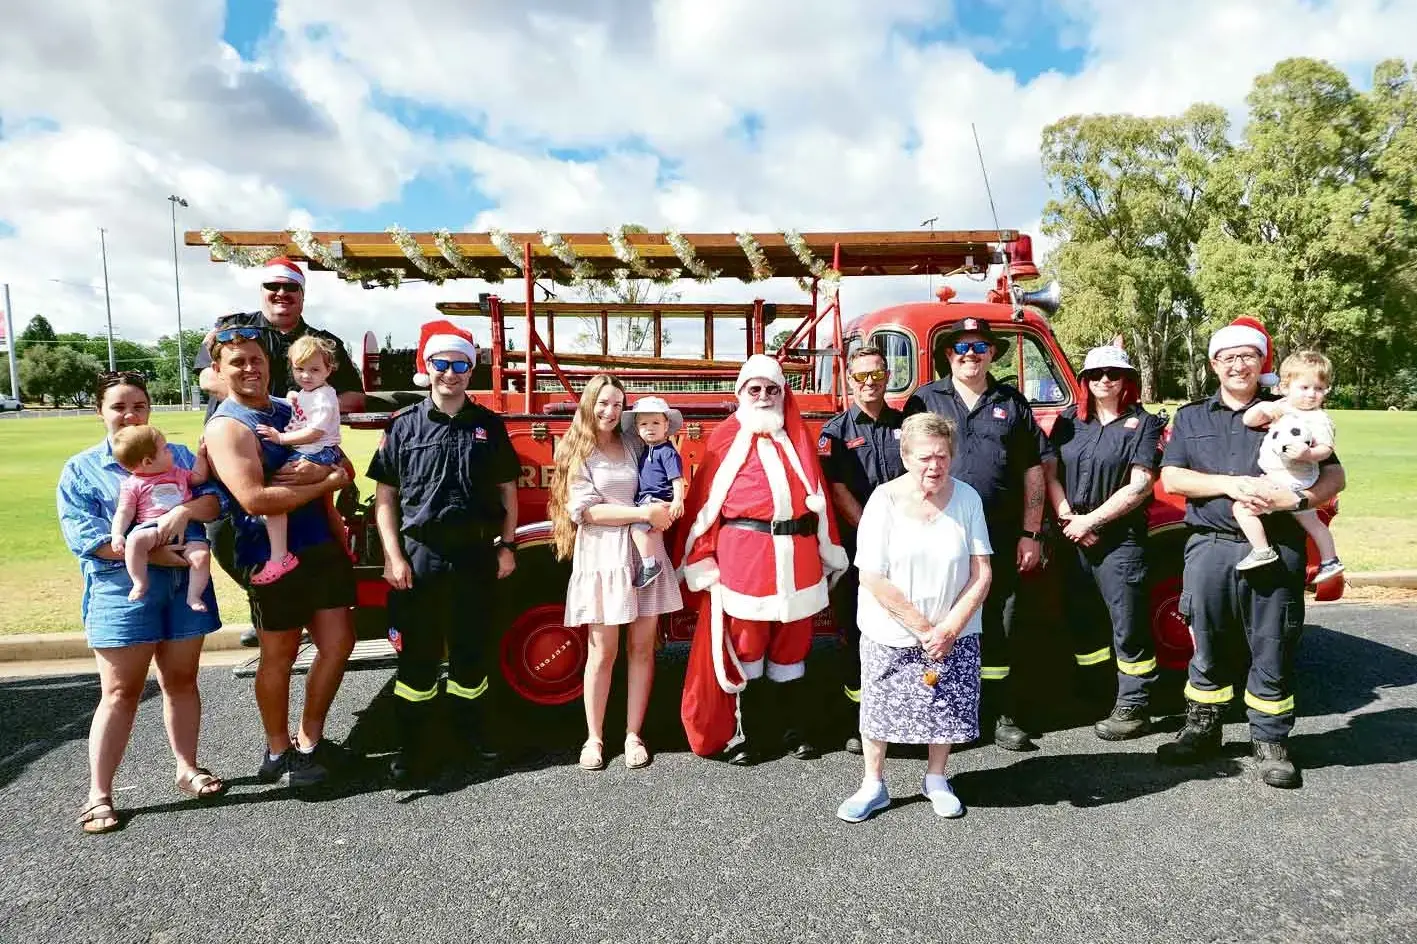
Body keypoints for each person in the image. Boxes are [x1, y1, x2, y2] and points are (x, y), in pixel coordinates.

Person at [1158, 317, 1346, 789]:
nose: (1238, 364)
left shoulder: (1290, 409)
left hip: (1277, 546)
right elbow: (1174, 479)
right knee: (1206, 639)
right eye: (1228, 357)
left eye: (1248, 356)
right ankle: (1202, 728)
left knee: (1273, 642)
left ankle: (1270, 739)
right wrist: (1229, 485)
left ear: (1262, 362)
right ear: (1213, 365)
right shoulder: (1193, 416)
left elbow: (1334, 479)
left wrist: (1297, 500)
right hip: (1210, 547)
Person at [57, 371, 226, 834]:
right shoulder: (83, 469)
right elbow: (88, 538)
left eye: (139, 405)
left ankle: (187, 768)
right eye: (119, 406)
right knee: (120, 692)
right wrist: (156, 553)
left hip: (183, 586)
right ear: (100, 412)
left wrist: (184, 510)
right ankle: (99, 793)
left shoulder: (180, 455)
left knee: (181, 680)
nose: (130, 414)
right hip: (121, 591)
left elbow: (215, 503)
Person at [676, 354, 849, 765]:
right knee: (748, 647)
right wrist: (704, 561)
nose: (765, 396)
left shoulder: (798, 435)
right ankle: (755, 736)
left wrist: (828, 550)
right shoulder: (723, 437)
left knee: (794, 645)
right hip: (746, 559)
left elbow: (819, 496)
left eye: (773, 389)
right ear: (742, 393)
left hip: (799, 558)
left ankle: (796, 731)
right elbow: (705, 506)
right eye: (756, 389)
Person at [367, 321, 520, 786]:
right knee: (417, 659)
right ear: (427, 367)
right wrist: (394, 557)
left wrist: (508, 545)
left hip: (475, 554)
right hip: (421, 557)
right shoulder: (402, 427)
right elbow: (386, 499)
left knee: (472, 655)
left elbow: (508, 491)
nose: (450, 374)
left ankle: (470, 737)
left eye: (460, 365)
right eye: (441, 364)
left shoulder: (488, 426)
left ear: (470, 371)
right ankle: (414, 748)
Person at [202, 327, 356, 788]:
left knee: (339, 642)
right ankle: (277, 750)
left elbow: (344, 466)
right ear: (218, 371)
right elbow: (255, 500)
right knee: (280, 654)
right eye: (237, 362)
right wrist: (326, 481)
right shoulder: (227, 426)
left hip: (318, 543)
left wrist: (327, 473)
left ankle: (310, 740)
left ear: (269, 364)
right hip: (269, 553)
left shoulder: (291, 408)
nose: (249, 368)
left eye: (255, 359)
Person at [194, 256, 364, 646]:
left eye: (291, 288)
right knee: (230, 532)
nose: (281, 294)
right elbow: (206, 375)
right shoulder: (235, 328)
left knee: (319, 529)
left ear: (302, 294)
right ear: (262, 291)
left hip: (296, 455)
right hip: (242, 455)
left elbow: (354, 394)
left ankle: (306, 611)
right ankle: (265, 602)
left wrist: (317, 403)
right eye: (273, 287)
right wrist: (254, 397)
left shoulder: (325, 342)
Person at [837, 413, 992, 822]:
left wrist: (949, 629)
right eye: (924, 457)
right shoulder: (883, 500)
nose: (934, 466)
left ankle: (937, 779)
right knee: (879, 708)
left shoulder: (968, 499)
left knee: (944, 707)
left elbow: (982, 572)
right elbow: (870, 574)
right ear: (906, 457)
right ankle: (873, 784)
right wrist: (924, 629)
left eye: (942, 456)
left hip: (953, 631)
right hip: (892, 629)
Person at [903, 317, 1049, 751]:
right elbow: (907, 465)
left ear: (991, 355)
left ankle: (1000, 713)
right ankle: (938, 708)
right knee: (938, 617)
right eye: (963, 348)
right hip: (938, 531)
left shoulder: (1012, 402)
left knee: (1001, 621)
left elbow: (1033, 470)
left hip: (1000, 532)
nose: (971, 355)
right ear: (949, 354)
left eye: (981, 348)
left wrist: (1032, 532)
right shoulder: (924, 400)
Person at [549, 375, 683, 771]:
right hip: (603, 555)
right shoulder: (578, 450)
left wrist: (670, 501)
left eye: (617, 404)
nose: (610, 412)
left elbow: (663, 468)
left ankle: (632, 734)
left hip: (643, 552)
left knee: (642, 648)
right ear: (589, 403)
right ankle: (594, 737)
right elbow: (587, 511)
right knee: (602, 651)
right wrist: (643, 513)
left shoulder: (632, 441)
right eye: (603, 403)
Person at [1044, 346, 1165, 740]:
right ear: (1084, 381)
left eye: (1113, 373)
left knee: (1126, 623)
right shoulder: (1069, 421)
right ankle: (1095, 690)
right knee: (1082, 617)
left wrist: (1091, 521)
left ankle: (1135, 703)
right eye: (1095, 375)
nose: (1104, 381)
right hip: (1072, 534)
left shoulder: (1144, 424)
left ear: (1127, 380)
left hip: (1118, 539)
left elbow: (1141, 485)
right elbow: (1050, 473)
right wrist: (1069, 519)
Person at [819, 346, 905, 754]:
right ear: (848, 379)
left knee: (906, 629)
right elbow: (836, 490)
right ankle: (861, 718)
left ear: (888, 376)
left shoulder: (909, 424)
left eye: (877, 375)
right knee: (858, 633)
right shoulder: (834, 433)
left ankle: (906, 715)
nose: (869, 383)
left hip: (907, 548)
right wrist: (875, 534)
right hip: (861, 549)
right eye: (860, 377)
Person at [1234, 350, 1343, 582]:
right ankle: (1330, 560)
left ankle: (1262, 550)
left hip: (1289, 478)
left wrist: (1308, 453)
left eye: (1319, 389)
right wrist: (1263, 408)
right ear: (1285, 387)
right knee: (1311, 521)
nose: (1312, 395)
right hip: (1284, 476)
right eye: (1304, 388)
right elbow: (1248, 420)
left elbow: (1327, 449)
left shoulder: (1318, 419)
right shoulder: (1282, 406)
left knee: (1242, 508)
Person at [251, 335, 349, 585]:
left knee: (274, 497)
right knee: (325, 507)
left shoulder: (324, 397)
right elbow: (301, 411)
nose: (306, 375)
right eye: (299, 369)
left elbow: (315, 431)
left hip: (316, 451)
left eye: (314, 369)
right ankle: (345, 547)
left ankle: (279, 556)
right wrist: (291, 399)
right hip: (314, 450)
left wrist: (280, 438)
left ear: (329, 369)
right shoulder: (309, 392)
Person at [108, 425, 213, 611]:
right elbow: (124, 512)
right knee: (135, 540)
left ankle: (193, 596)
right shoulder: (133, 485)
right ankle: (139, 582)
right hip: (152, 527)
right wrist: (118, 535)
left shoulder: (177, 473)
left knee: (201, 556)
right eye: (165, 449)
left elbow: (199, 478)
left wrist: (201, 455)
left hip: (188, 528)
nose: (170, 452)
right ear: (148, 461)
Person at [621, 395, 687, 588]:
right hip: (646, 501)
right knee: (650, 533)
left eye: (656, 422)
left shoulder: (668, 452)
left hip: (659, 501)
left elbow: (676, 478)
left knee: (637, 529)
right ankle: (654, 566)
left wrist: (677, 501)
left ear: (666, 426)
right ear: (637, 428)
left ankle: (650, 566)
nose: (650, 428)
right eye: (644, 424)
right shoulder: (645, 450)